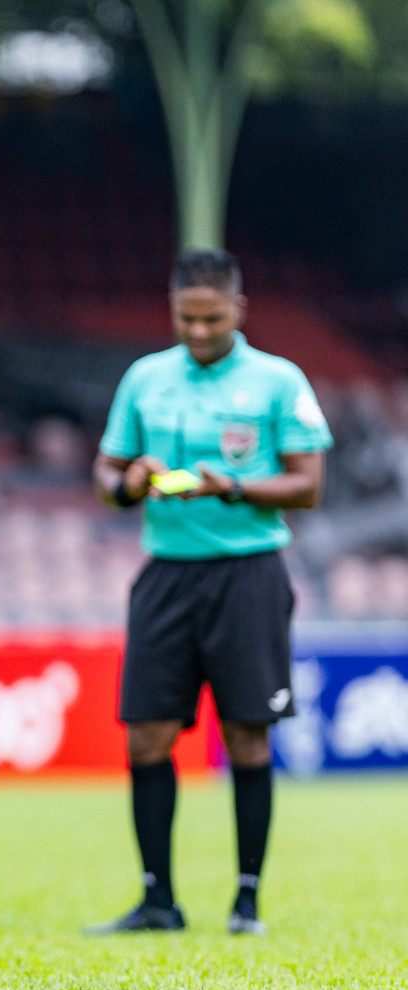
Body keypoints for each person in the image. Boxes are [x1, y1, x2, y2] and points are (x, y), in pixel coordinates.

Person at [88, 249, 331, 936]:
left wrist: (230, 485)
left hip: (249, 571)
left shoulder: (278, 381)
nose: (197, 331)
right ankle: (158, 901)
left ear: (238, 311)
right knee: (147, 738)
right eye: (185, 318)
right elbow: (106, 475)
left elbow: (308, 485)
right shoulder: (145, 378)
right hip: (166, 572)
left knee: (247, 736)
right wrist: (130, 480)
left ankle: (246, 903)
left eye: (211, 318)